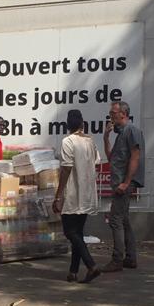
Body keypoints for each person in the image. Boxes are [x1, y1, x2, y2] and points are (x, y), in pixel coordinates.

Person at [53, 110, 102, 284]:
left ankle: (91, 265)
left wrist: (58, 195)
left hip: (73, 193)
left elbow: (66, 169)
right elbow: (97, 161)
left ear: (67, 125)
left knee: (70, 232)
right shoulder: (89, 141)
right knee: (78, 233)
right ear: (82, 123)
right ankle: (73, 272)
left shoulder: (68, 141)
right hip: (87, 192)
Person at [102, 101, 144, 272]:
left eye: (113, 113)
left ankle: (117, 259)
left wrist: (126, 182)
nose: (111, 116)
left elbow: (135, 157)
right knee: (124, 220)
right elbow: (111, 157)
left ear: (123, 114)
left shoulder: (131, 131)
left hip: (123, 184)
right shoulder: (121, 134)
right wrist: (106, 137)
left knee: (115, 220)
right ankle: (130, 258)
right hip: (119, 182)